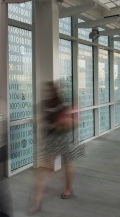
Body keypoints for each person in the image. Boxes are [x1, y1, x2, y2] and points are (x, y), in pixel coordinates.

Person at [28, 82, 84, 216]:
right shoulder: (43, 104)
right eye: (45, 91)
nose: (46, 94)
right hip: (50, 141)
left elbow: (75, 122)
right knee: (43, 171)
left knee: (68, 164)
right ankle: (37, 203)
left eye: (48, 91)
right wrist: (39, 121)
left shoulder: (63, 104)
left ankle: (68, 188)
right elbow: (41, 120)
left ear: (54, 91)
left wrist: (58, 125)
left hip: (64, 140)